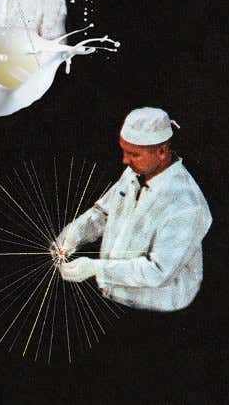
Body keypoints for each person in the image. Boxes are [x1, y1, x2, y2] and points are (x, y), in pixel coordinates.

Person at [55, 107, 212, 312]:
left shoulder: (187, 205)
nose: (125, 161)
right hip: (113, 298)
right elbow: (103, 213)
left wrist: (94, 268)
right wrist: (73, 235)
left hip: (157, 311)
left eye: (133, 154)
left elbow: (157, 272)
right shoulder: (135, 173)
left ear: (162, 152)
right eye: (124, 151)